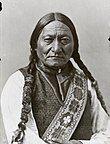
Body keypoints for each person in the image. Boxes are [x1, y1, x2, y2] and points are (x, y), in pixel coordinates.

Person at [1, 12, 110, 144]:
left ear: (74, 46)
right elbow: (21, 138)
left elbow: (106, 134)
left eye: (65, 40)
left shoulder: (84, 83)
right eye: (48, 40)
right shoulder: (18, 82)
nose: (57, 48)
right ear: (35, 45)